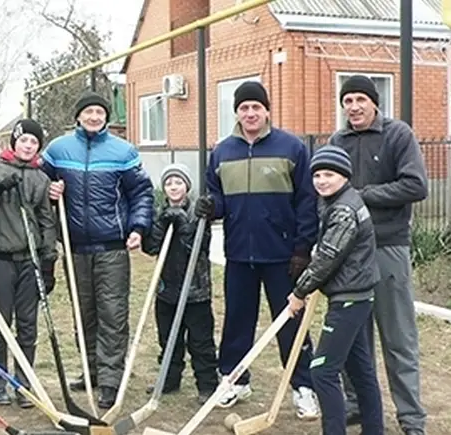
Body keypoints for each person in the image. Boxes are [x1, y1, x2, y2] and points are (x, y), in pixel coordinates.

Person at [195, 81, 320, 419]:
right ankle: (236, 379)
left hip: (283, 257)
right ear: (236, 112)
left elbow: (307, 201)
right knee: (237, 320)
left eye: (256, 107)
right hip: (238, 254)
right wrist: (212, 206)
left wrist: (302, 248)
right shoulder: (222, 151)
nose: (250, 113)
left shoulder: (291, 147)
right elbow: (217, 196)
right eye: (243, 108)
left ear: (267, 110)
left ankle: (303, 385)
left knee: (291, 322)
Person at [40, 91, 154, 408]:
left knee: (112, 314)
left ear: (106, 118)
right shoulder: (58, 150)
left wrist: (138, 227)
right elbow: (37, 187)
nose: (94, 117)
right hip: (75, 247)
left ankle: (109, 380)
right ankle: (90, 370)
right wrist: (49, 190)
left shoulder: (123, 152)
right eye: (88, 112)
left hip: (112, 248)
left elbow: (142, 193)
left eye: (99, 112)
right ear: (78, 116)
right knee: (83, 312)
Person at [329, 75, 428, 435]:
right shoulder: (337, 141)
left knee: (398, 337)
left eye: (360, 99)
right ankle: (358, 405)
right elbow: (327, 186)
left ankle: (411, 418)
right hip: (349, 251)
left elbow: (416, 185)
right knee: (355, 338)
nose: (353, 106)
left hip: (388, 247)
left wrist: (362, 194)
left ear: (374, 102)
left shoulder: (397, 135)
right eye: (347, 100)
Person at [287, 145, 385, 435]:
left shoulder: (344, 210)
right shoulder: (338, 201)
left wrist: (299, 292)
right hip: (356, 294)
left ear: (344, 176)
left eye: (329, 174)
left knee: (323, 371)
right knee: (360, 368)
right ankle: (374, 430)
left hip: (350, 299)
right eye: (317, 175)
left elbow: (327, 258)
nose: (321, 181)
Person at [0, 119, 58, 408]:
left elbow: (46, 221)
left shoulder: (40, 178)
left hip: (30, 261)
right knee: (2, 323)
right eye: (24, 141)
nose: (28, 146)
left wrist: (48, 262)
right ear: (14, 142)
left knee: (28, 325)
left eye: (34, 143)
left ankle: (24, 382)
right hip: (2, 259)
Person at [141, 163, 219, 405]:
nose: (173, 187)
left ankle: (207, 385)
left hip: (195, 290)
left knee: (200, 341)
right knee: (168, 340)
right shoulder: (159, 212)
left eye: (178, 182)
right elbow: (151, 247)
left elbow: (200, 248)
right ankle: (169, 379)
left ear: (187, 185)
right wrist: (163, 225)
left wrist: (185, 226)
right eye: (169, 183)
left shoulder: (199, 213)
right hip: (167, 289)